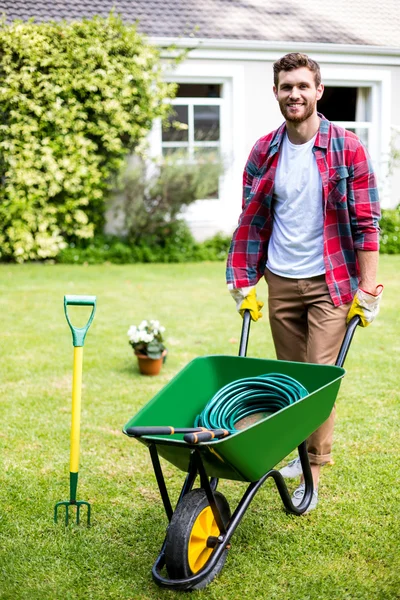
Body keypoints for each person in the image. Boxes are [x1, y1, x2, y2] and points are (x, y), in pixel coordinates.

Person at [226, 52, 383, 512]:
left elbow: (367, 222)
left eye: (302, 86)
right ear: (275, 92)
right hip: (281, 279)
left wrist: (368, 287)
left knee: (318, 379)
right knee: (290, 380)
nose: (293, 94)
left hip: (331, 282)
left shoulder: (347, 147)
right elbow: (251, 220)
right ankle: (296, 454)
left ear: (318, 91)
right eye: (285, 86)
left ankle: (312, 469)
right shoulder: (264, 150)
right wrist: (245, 280)